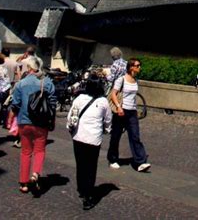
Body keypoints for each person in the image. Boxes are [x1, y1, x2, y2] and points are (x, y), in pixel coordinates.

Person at [11, 55, 56, 194]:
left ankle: (23, 183)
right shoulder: (47, 83)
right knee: (39, 150)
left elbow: (15, 104)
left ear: (29, 68)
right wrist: (51, 120)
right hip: (41, 122)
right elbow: (53, 104)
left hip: (24, 122)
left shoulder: (21, 83)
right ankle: (35, 174)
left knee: (25, 152)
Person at [67, 73, 112, 210]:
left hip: (79, 136)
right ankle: (88, 195)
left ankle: (81, 188)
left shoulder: (79, 99)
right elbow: (108, 120)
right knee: (91, 167)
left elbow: (72, 116)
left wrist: (70, 127)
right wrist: (107, 130)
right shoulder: (103, 101)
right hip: (93, 138)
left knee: (80, 164)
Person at [107, 57, 150, 172]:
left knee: (135, 136)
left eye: (139, 65)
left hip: (132, 112)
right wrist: (118, 107)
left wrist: (135, 109)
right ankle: (112, 159)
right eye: (137, 65)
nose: (139, 67)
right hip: (121, 111)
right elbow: (113, 94)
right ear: (131, 67)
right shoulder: (121, 80)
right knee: (116, 136)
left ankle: (140, 162)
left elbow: (133, 97)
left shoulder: (136, 81)